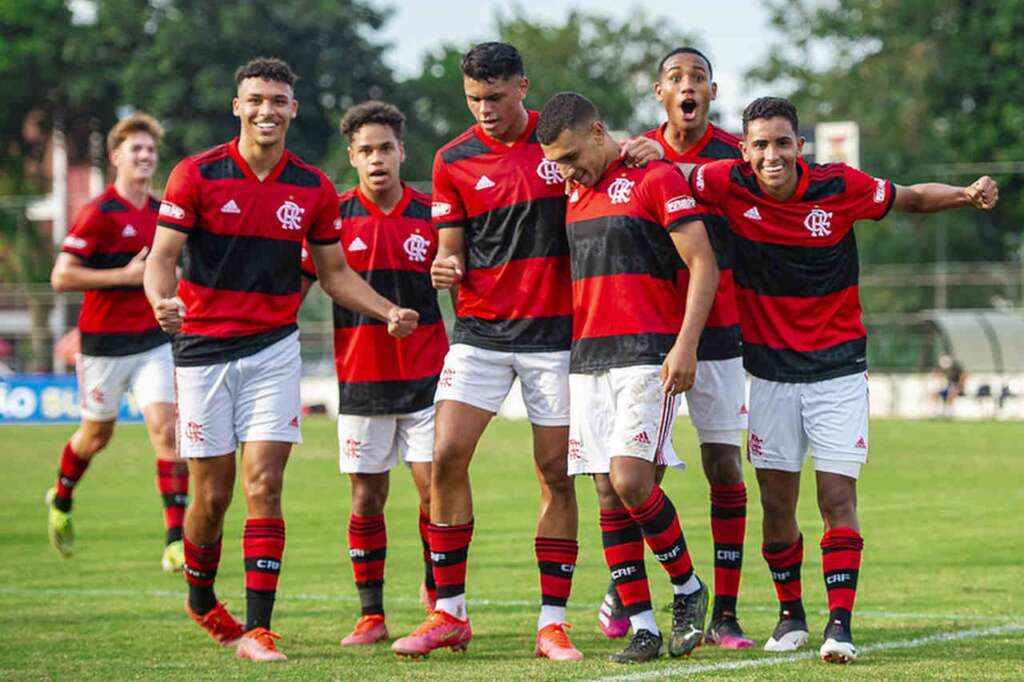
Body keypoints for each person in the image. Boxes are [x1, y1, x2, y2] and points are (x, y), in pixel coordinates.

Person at [683, 96, 999, 663]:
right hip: (770, 374)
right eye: (760, 144)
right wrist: (625, 151)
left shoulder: (839, 186)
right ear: (745, 150)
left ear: (799, 145)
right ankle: (791, 615)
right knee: (776, 503)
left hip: (838, 370)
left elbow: (909, 198)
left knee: (836, 497)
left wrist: (965, 194)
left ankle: (839, 624)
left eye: (782, 142)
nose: (772, 155)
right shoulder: (726, 182)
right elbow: (671, 174)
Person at [144, 57, 419, 663]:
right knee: (211, 498)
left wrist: (385, 310)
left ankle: (259, 628)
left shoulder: (313, 187)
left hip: (273, 348)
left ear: (293, 109)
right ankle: (199, 596)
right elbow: (162, 257)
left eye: (278, 100)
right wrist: (161, 299)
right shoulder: (196, 174)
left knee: (265, 483)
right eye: (256, 100)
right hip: (203, 353)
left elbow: (334, 274)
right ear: (237, 107)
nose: (267, 110)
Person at [391, 41, 584, 661]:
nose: (484, 110)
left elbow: (611, 167)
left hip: (554, 335)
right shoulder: (452, 158)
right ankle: (449, 614)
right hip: (480, 332)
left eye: (495, 98)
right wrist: (446, 265)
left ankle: (552, 622)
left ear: (522, 87)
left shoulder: (558, 143)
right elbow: (452, 244)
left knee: (555, 471)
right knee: (445, 454)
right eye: (473, 99)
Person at [537, 91, 719, 663]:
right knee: (606, 494)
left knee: (632, 481)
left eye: (570, 156)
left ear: (597, 131)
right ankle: (642, 625)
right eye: (556, 163)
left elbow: (703, 263)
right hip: (588, 358)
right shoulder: (572, 190)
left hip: (646, 355)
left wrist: (685, 346)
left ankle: (689, 588)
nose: (565, 170)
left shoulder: (654, 177)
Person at [598, 46, 754, 650]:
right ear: (657, 92)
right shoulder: (632, 156)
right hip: (649, 338)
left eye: (697, 78)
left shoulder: (736, 158)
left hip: (720, 333)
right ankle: (628, 588)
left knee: (722, 465)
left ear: (712, 93)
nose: (686, 86)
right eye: (675, 78)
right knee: (639, 472)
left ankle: (727, 614)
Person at [298, 101, 447, 647]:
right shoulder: (331, 221)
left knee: (435, 493)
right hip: (362, 379)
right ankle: (371, 614)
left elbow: (469, 276)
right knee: (366, 499)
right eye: (366, 150)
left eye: (386, 148)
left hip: (429, 375)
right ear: (352, 157)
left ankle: (438, 601)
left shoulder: (434, 213)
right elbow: (292, 286)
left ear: (402, 152)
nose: (377, 158)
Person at [46, 113, 187, 573]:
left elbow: (169, 270)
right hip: (103, 347)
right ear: (116, 157)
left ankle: (174, 542)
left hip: (152, 342)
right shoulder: (99, 213)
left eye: (150, 150)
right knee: (96, 435)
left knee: (167, 432)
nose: (145, 157)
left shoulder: (163, 212)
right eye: (136, 150)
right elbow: (62, 275)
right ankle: (62, 495)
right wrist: (124, 276)